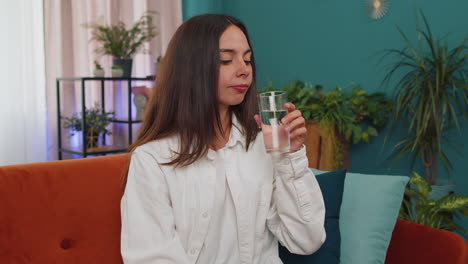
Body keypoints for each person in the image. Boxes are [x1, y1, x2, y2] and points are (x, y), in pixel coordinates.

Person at [120, 14, 326, 264]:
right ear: (191, 68)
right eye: (226, 60)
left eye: (248, 59)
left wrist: (289, 157)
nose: (244, 70)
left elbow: (306, 240)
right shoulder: (152, 160)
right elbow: (152, 258)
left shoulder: (263, 145)